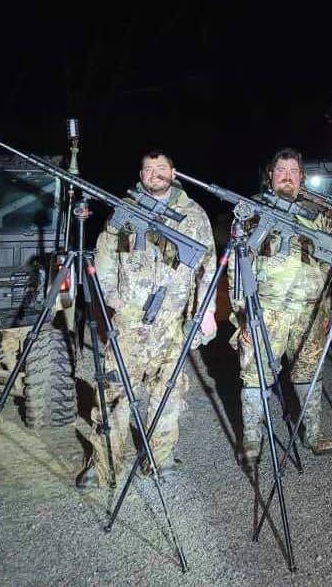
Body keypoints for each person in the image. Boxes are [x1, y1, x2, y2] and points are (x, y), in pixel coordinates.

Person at [77, 150, 218, 487]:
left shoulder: (193, 214)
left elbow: (208, 265)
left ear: (173, 172)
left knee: (168, 393)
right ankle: (104, 462)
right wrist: (112, 297)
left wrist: (207, 311)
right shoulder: (124, 210)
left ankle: (160, 457)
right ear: (140, 176)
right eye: (148, 169)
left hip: (172, 321)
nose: (154, 174)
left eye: (161, 168)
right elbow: (105, 254)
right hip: (129, 321)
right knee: (113, 391)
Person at [230, 148, 332, 461]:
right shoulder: (251, 212)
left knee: (310, 372)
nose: (287, 177)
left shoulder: (322, 214)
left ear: (301, 177)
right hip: (266, 310)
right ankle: (252, 439)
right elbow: (237, 267)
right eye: (281, 170)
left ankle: (314, 433)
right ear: (271, 175)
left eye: (293, 171)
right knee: (254, 374)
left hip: (310, 311)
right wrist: (241, 314)